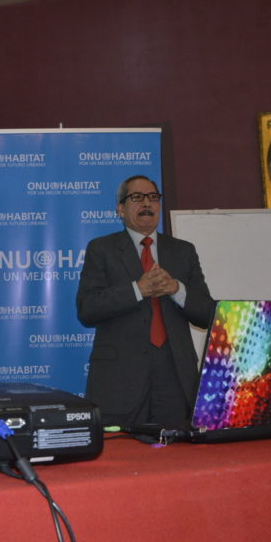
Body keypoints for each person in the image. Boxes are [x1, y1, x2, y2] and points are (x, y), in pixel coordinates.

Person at [76, 176, 216, 429]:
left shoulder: (183, 251)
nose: (147, 204)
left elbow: (208, 314)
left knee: (177, 451)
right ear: (120, 209)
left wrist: (176, 289)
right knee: (122, 451)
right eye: (137, 198)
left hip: (175, 378)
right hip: (120, 379)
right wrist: (137, 290)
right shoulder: (102, 249)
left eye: (153, 197)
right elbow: (88, 309)